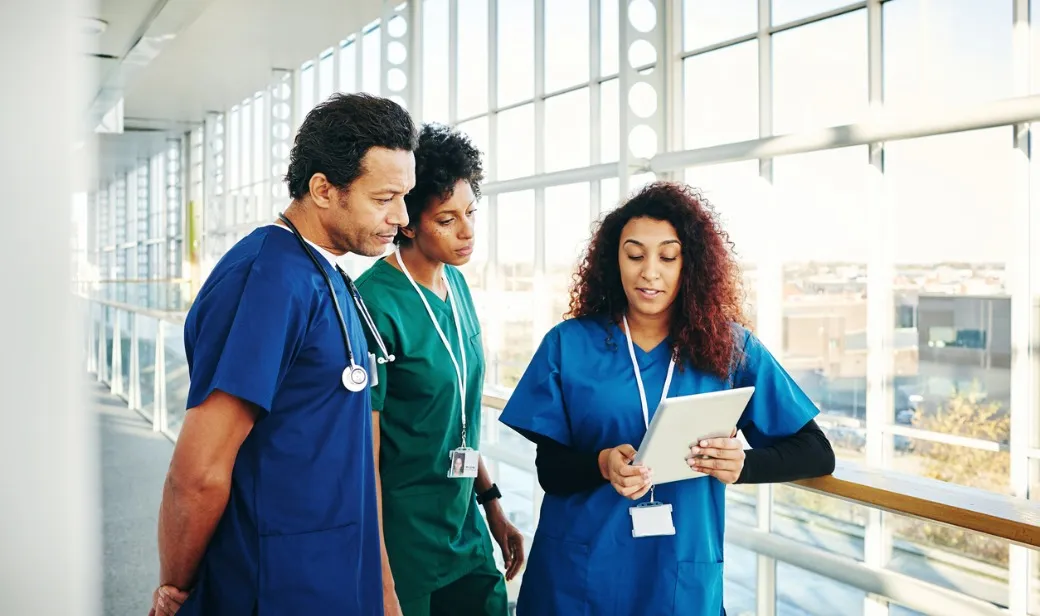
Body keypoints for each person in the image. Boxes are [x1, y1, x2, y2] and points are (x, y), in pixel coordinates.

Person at [499, 182, 835, 616]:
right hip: (577, 577)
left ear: (689, 265)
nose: (649, 272)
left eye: (668, 257)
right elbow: (552, 470)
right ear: (612, 260)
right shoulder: (567, 345)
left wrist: (743, 465)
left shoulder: (730, 349)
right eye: (635, 255)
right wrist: (601, 464)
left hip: (677, 578)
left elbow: (816, 451)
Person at [149, 93, 417, 616]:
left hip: (335, 575)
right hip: (273, 585)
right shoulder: (267, 279)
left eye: (404, 197)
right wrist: (176, 586)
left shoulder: (327, 272)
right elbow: (199, 471)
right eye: (384, 198)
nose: (402, 218)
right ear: (322, 189)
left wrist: (380, 586)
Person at [355, 122, 523, 616]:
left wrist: (492, 505)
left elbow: (460, 421)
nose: (467, 231)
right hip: (404, 540)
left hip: (464, 528)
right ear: (407, 222)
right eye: (447, 219)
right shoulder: (374, 305)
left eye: (470, 212)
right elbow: (365, 456)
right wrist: (380, 573)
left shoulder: (457, 286)